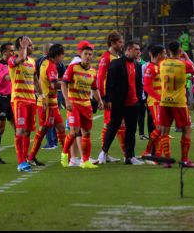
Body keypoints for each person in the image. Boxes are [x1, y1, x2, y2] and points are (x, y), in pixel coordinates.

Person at [156, 41, 194, 168]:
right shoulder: (183, 64)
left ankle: (167, 160)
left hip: (164, 101)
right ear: (180, 50)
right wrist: (187, 58)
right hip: (179, 103)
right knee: (186, 129)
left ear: (168, 50)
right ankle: (185, 160)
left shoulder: (162, 63)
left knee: (164, 130)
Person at [100, 41, 145, 165]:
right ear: (128, 50)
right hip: (119, 103)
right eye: (136, 49)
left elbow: (138, 84)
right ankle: (103, 153)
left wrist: (139, 99)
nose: (138, 52)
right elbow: (109, 83)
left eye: (139, 49)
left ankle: (130, 157)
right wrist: (108, 99)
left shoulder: (137, 65)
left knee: (131, 131)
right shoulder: (116, 63)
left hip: (133, 103)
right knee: (113, 128)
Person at [62, 41, 103, 169]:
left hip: (86, 105)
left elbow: (94, 88)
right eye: (85, 54)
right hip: (74, 104)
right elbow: (64, 84)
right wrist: (67, 101)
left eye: (90, 54)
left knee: (86, 133)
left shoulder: (93, 71)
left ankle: (85, 161)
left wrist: (100, 100)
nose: (88, 56)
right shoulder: (72, 68)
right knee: (74, 132)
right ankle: (64, 154)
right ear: (81, 54)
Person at [28, 44, 69, 167]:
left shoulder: (45, 62)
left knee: (61, 128)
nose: (63, 57)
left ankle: (67, 157)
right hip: (47, 104)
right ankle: (31, 157)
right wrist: (66, 83)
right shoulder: (51, 66)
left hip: (51, 103)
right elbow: (53, 85)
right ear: (57, 55)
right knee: (43, 129)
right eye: (62, 55)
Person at [8, 36, 40, 173]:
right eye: (29, 45)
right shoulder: (12, 59)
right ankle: (20, 162)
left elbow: (35, 80)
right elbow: (20, 59)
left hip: (31, 100)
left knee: (27, 131)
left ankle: (25, 159)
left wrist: (42, 96)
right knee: (20, 130)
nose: (31, 47)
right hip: (19, 100)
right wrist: (23, 48)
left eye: (31, 45)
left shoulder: (33, 61)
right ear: (21, 45)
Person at [97, 32, 126, 163]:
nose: (122, 44)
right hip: (110, 97)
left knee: (108, 124)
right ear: (113, 43)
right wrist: (104, 98)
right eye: (120, 42)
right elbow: (100, 79)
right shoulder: (106, 57)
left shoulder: (117, 56)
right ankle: (126, 154)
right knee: (118, 124)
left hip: (117, 96)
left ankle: (105, 153)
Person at [0, 43, 14, 165]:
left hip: (11, 99)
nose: (13, 53)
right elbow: (8, 78)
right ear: (4, 52)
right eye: (11, 51)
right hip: (0, 99)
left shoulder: (11, 64)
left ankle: (22, 155)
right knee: (0, 128)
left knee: (18, 128)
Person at [142, 45, 165, 158]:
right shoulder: (150, 68)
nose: (165, 55)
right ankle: (153, 153)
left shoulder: (161, 66)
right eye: (164, 53)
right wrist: (159, 97)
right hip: (155, 101)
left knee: (161, 128)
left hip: (162, 101)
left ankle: (150, 152)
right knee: (160, 127)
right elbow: (147, 87)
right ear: (159, 54)